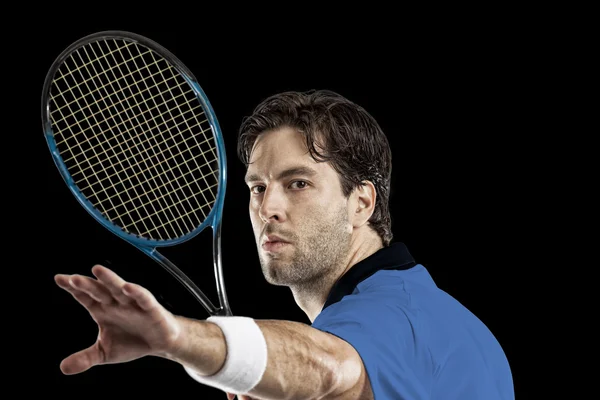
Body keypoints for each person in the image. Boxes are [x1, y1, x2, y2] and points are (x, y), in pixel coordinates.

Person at [54, 89, 514, 399]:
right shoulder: (447, 318)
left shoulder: (389, 316)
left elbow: (329, 365)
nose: (266, 207)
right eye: (257, 187)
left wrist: (182, 339)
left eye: (297, 183)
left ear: (361, 203)